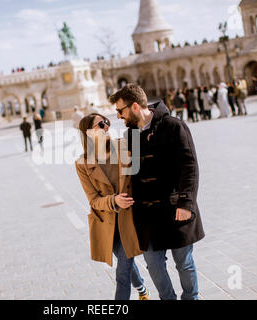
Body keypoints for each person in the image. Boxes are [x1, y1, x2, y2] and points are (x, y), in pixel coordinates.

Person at [109, 84, 205, 300]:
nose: (118, 116)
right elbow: (122, 171)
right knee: (153, 264)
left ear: (134, 106)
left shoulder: (174, 126)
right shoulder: (129, 136)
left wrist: (186, 204)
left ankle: (191, 298)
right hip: (147, 215)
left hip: (175, 208)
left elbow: (190, 167)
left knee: (184, 262)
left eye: (120, 110)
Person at [75, 113, 149, 300]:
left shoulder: (124, 146)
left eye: (106, 122)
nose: (107, 126)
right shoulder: (82, 164)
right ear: (89, 133)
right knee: (127, 263)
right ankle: (142, 289)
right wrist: (113, 201)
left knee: (122, 273)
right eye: (101, 124)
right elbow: (93, 200)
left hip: (130, 220)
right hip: (107, 224)